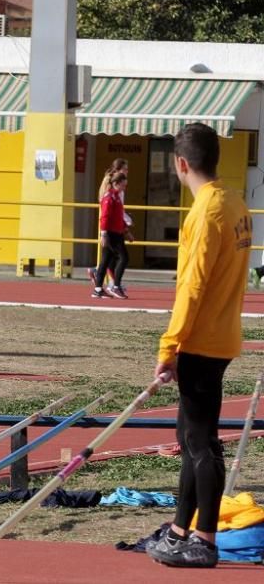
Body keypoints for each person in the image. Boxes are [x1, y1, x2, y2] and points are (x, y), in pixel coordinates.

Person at [146, 122, 252, 569]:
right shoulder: (234, 203)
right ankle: (179, 530)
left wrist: (169, 346)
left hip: (203, 341)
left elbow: (190, 287)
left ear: (180, 164)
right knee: (190, 438)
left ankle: (203, 540)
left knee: (201, 443)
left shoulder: (204, 213)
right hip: (221, 335)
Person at [90, 172, 130, 299]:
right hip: (111, 233)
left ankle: (98, 289)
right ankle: (116, 286)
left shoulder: (116, 197)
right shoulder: (109, 197)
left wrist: (126, 230)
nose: (124, 188)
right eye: (123, 185)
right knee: (124, 257)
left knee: (106, 260)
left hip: (117, 232)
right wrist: (103, 234)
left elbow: (118, 216)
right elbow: (105, 217)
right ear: (116, 184)